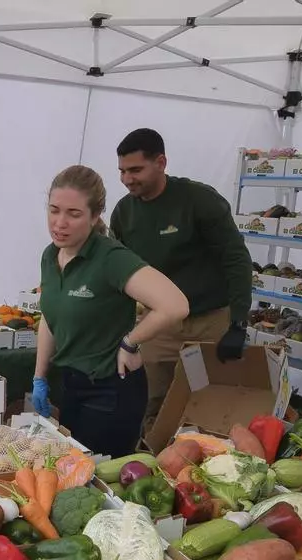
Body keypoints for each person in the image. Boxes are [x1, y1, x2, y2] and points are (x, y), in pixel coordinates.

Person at [31, 166, 189, 457]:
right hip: (71, 386)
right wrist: (40, 377)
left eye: (74, 214)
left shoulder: (110, 259)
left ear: (95, 216)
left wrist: (131, 341)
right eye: (54, 210)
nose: (60, 223)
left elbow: (175, 305)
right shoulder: (50, 255)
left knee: (96, 483)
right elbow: (50, 318)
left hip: (110, 393)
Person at [110, 128, 253, 432]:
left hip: (210, 321)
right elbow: (117, 273)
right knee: (150, 401)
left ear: (161, 162)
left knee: (210, 401)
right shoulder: (124, 213)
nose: (127, 179)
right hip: (159, 325)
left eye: (136, 170)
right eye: (122, 171)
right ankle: (150, 458)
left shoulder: (198, 200)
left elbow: (236, 258)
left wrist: (239, 323)